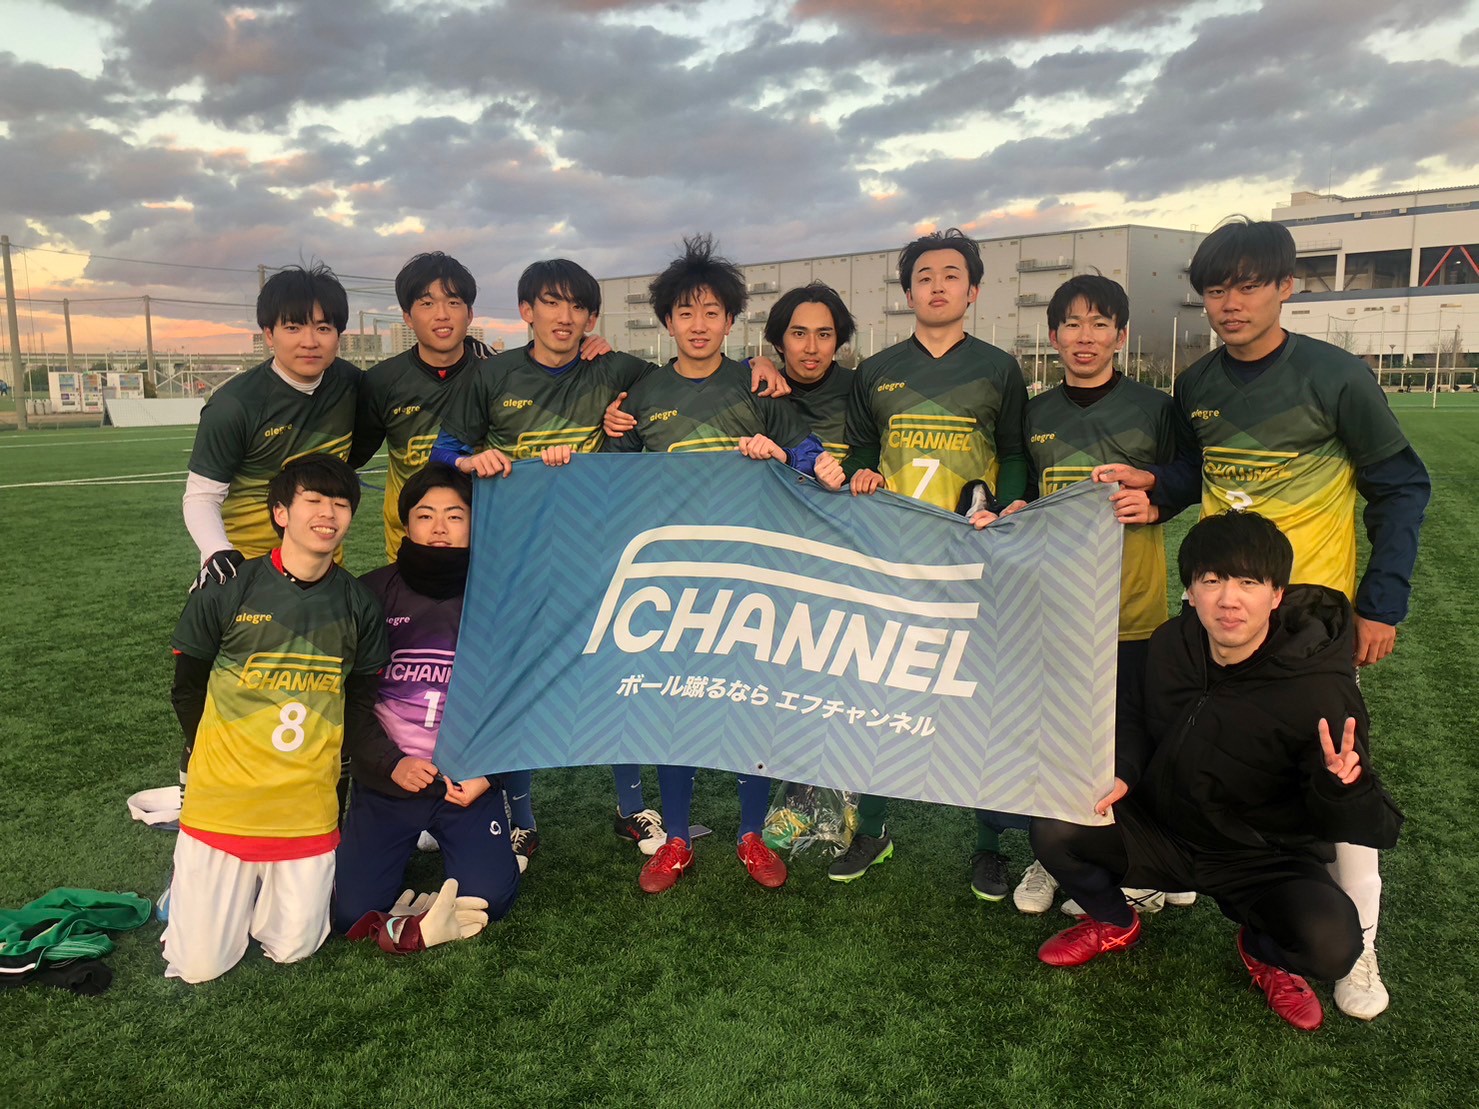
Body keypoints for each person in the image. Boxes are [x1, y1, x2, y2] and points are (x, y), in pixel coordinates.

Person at [1098, 218, 1430, 1019]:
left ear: (1284, 287)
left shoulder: (1335, 376)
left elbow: (1399, 486)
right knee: (1193, 741)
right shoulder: (1197, 384)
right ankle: (1174, 867)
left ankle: (1359, 941)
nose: (1231, 302)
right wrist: (1157, 489)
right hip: (1221, 615)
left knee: (1334, 770)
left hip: (1309, 624)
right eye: (1216, 288)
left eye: (1248, 284)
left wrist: (1379, 603)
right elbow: (1194, 472)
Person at [431, 258, 789, 866]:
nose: (564, 316)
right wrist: (471, 462)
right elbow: (446, 449)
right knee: (519, 681)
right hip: (519, 555)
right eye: (551, 302)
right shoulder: (491, 375)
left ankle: (633, 810)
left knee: (621, 674)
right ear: (526, 310)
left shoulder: (620, 370)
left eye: (577, 306)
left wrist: (760, 362)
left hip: (604, 552)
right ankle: (521, 821)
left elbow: (691, 376)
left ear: (592, 318)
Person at [1029, 511, 1403, 1032]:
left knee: (1331, 947)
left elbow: (1377, 827)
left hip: (1259, 857)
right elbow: (1133, 718)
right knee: (1054, 822)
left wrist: (1345, 787)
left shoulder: (1319, 689)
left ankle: (1261, 951)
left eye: (1249, 582)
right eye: (1212, 581)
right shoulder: (1170, 644)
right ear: (1190, 591)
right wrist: (1125, 772)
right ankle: (1114, 921)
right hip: (1166, 829)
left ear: (1276, 594)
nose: (1229, 599)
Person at [605, 234, 844, 894]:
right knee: (674, 706)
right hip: (673, 581)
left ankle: (750, 833)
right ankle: (677, 838)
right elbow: (613, 483)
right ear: (667, 321)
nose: (699, 324)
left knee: (749, 703)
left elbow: (806, 457)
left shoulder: (756, 382)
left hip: (749, 574)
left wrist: (804, 460)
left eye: (712, 312)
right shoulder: (643, 392)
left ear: (730, 319)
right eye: (686, 312)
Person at [831, 228, 1030, 898]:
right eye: (924, 276)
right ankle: (873, 829)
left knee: (979, 696)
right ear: (907, 292)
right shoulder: (876, 369)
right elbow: (861, 449)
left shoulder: (998, 367)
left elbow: (1015, 451)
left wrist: (1007, 506)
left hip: (970, 557)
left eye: (950, 275)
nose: (937, 285)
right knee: (882, 690)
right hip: (895, 556)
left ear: (972, 291)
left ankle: (988, 846)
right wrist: (860, 474)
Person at [999, 274, 1199, 914]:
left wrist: (1157, 496)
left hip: (1131, 608)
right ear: (1053, 335)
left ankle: (1148, 863)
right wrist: (1010, 506)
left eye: (1100, 324)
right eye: (1073, 324)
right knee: (1054, 736)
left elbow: (1192, 475)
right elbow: (1021, 487)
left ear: (1121, 334)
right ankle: (1051, 855)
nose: (1085, 337)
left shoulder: (1155, 408)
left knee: (1132, 740)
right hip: (1054, 609)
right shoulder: (1035, 412)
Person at [162, 455, 388, 983]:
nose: (328, 513)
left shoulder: (359, 604)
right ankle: (190, 890)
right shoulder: (227, 588)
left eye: (341, 504)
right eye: (314, 500)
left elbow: (360, 699)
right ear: (281, 513)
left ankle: (248, 894)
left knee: (295, 949)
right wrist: (217, 753)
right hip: (223, 803)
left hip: (306, 807)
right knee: (198, 966)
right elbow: (187, 688)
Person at [332, 463, 521, 948]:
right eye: (425, 515)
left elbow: (521, 697)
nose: (439, 527)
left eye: (455, 515)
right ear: (406, 523)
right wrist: (389, 764)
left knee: (490, 901)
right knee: (352, 913)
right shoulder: (370, 593)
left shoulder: (501, 596)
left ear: (475, 523)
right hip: (391, 780)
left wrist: (489, 774)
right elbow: (349, 700)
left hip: (465, 780)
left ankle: (487, 842)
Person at [183, 265, 359, 584]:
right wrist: (217, 551)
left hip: (324, 566)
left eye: (323, 328)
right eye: (293, 328)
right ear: (268, 334)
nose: (309, 341)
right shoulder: (234, 405)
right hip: (246, 566)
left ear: (339, 336)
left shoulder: (352, 384)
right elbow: (201, 496)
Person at [349, 252, 491, 561]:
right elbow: (352, 457)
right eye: (427, 303)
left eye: (453, 302)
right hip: (407, 544)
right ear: (408, 317)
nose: (442, 314)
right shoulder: (382, 381)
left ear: (469, 314)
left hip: (486, 539)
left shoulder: (496, 375)